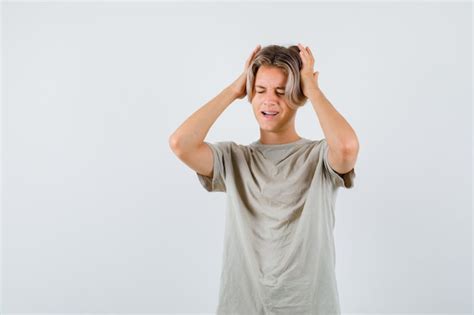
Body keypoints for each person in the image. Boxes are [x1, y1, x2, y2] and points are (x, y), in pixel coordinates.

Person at [169, 43, 359, 314]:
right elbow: (181, 143)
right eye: (260, 90)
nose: (269, 100)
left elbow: (347, 148)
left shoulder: (319, 157)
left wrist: (313, 89)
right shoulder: (234, 159)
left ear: (299, 96)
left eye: (281, 92)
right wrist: (235, 89)